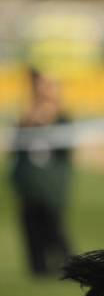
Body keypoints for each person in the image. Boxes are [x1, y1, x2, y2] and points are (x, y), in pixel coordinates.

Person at [9, 69, 73, 276]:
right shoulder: (27, 115)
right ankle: (38, 269)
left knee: (54, 227)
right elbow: (16, 147)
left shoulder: (62, 118)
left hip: (50, 185)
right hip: (29, 183)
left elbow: (66, 148)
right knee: (31, 227)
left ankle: (68, 265)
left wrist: (49, 119)